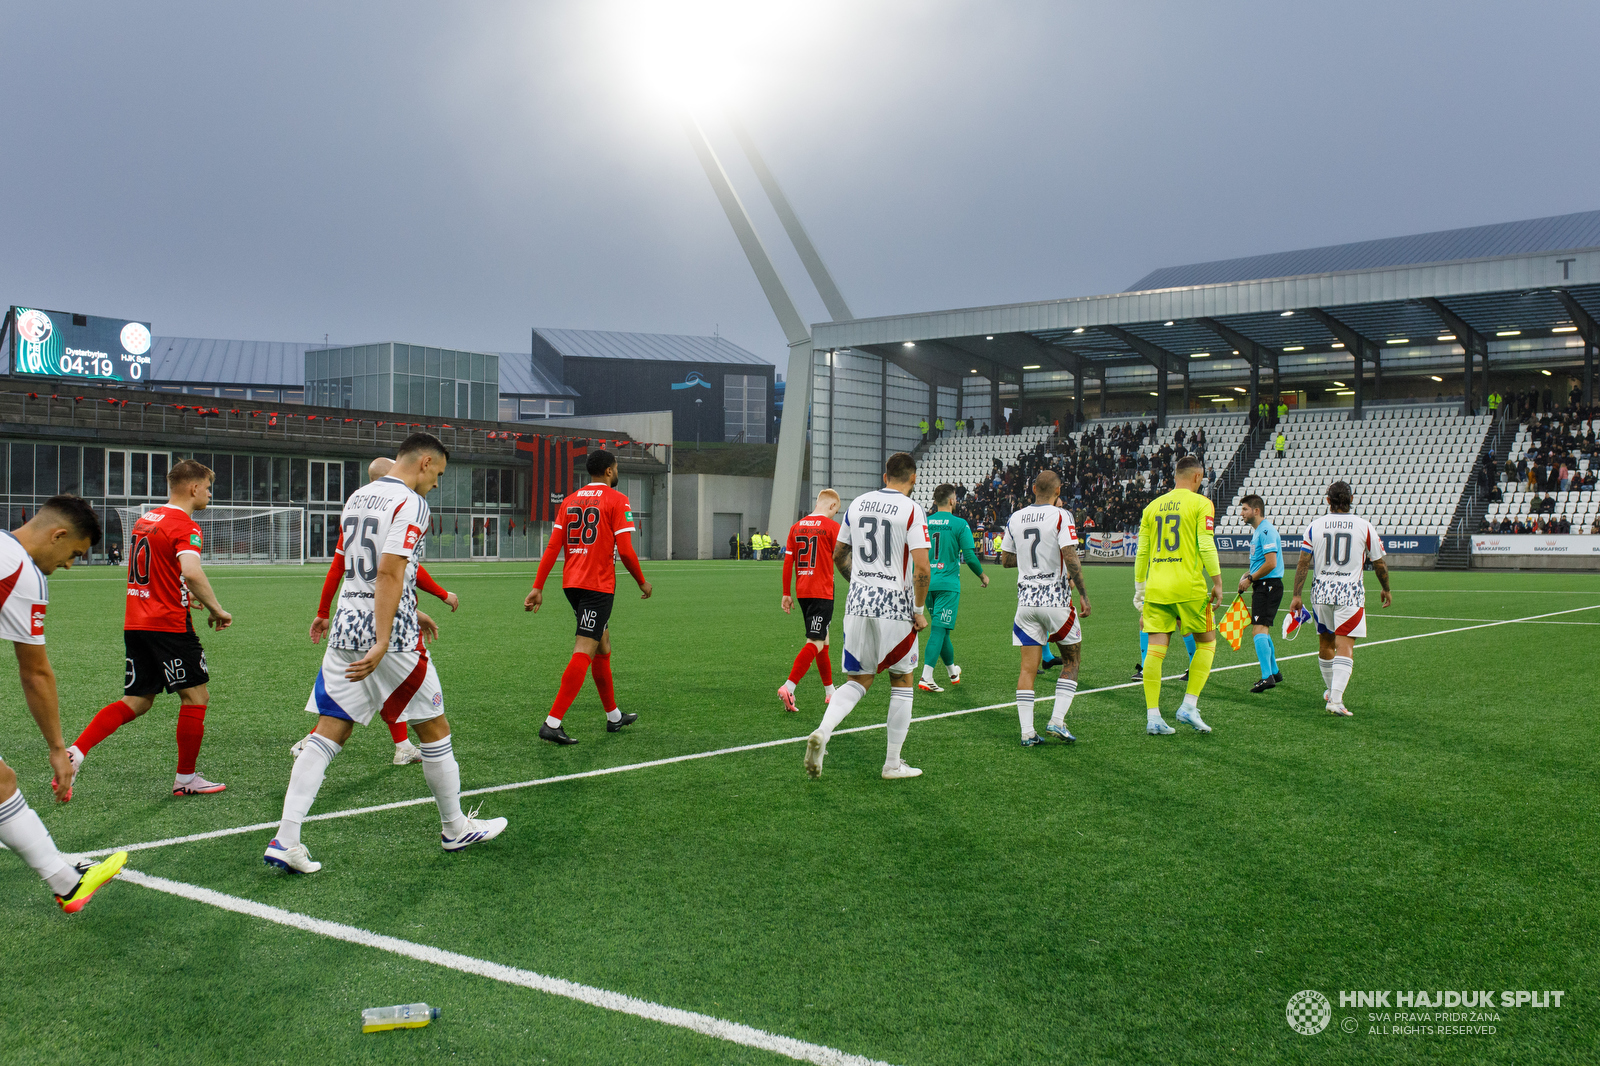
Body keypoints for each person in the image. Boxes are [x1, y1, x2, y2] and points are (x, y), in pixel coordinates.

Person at [265, 434, 504, 874]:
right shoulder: (411, 503)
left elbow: (366, 569)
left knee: (327, 733)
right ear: (426, 462)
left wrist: (417, 609)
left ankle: (287, 838)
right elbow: (391, 569)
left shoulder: (358, 496)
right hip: (389, 638)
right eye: (439, 475)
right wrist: (386, 634)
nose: (437, 484)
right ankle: (454, 828)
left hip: (344, 629)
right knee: (434, 727)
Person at [67, 459, 233, 797]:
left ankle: (76, 752)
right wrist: (217, 608)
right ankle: (186, 779)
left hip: (137, 621)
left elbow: (158, 569)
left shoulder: (146, 519)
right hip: (168, 625)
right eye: (208, 487)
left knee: (138, 700)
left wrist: (181, 593)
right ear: (194, 488)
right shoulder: (185, 526)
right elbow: (190, 570)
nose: (210, 494)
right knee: (196, 696)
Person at [0, 496, 129, 912]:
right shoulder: (22, 571)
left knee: (1, 784)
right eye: (73, 552)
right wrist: (59, 748)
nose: (70, 564)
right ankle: (67, 883)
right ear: (57, 534)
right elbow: (34, 671)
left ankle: (67, 883)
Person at [301, 456, 458, 765]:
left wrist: (322, 611)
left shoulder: (357, 506)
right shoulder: (403, 506)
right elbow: (395, 573)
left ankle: (391, 745)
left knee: (360, 695)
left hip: (351, 622)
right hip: (387, 626)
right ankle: (318, 739)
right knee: (414, 703)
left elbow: (339, 570)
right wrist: (438, 596)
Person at [803, 452, 930, 781]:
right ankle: (892, 763)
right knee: (902, 680)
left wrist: (860, 584)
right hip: (895, 606)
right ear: (912, 480)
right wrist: (917, 611)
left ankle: (824, 730)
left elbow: (839, 554)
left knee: (857, 680)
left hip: (858, 601)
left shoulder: (858, 503)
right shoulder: (912, 509)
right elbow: (921, 568)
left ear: (884, 476)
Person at [526, 449, 652, 744]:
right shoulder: (617, 500)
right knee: (584, 648)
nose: (617, 471)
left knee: (603, 646)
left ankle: (614, 716)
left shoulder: (569, 500)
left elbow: (552, 548)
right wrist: (642, 582)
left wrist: (538, 586)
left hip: (572, 584)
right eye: (617, 468)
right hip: (597, 586)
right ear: (609, 470)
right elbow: (626, 550)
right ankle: (552, 722)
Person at [1133, 455, 1222, 735]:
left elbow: (1142, 553)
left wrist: (1139, 590)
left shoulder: (1152, 507)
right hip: (1189, 587)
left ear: (1175, 475)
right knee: (1207, 643)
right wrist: (1217, 581)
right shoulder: (1201, 503)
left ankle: (1153, 717)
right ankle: (1188, 705)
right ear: (1197, 477)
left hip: (1157, 588)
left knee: (1156, 652)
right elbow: (1206, 545)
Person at [1289, 480, 1392, 717]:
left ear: (1328, 501)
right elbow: (1379, 562)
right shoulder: (1364, 526)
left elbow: (1304, 561)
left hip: (1321, 592)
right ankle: (1335, 700)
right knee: (1344, 645)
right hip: (1349, 593)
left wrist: (1296, 594)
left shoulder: (1315, 526)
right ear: (1352, 500)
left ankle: (1330, 691)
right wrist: (1385, 587)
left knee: (1325, 643)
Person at [1002, 471, 1090, 746]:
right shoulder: (1061, 516)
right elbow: (1070, 556)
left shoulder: (1015, 517)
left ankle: (1027, 733)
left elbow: (1005, 560)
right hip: (1055, 602)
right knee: (1071, 661)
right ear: (1058, 490)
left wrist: (1032, 562)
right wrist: (1084, 593)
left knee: (1028, 669)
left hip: (1026, 603)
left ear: (1032, 489)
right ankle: (1057, 721)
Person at [918, 483, 989, 693]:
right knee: (939, 629)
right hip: (947, 585)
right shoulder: (960, 524)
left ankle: (952, 671)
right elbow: (969, 556)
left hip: (926, 585)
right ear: (952, 500)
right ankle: (926, 676)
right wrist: (983, 575)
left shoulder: (925, 523)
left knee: (943, 631)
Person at [779, 489, 841, 712]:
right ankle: (789, 687)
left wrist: (786, 593)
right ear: (833, 506)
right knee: (814, 641)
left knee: (823, 640)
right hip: (821, 592)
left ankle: (830, 691)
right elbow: (843, 559)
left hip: (803, 591)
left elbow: (788, 562)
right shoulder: (833, 527)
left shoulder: (796, 527)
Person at [1237, 494, 1285, 693]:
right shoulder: (1260, 531)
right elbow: (1262, 562)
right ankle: (1274, 672)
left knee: (1258, 630)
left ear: (1256, 511)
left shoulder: (1265, 531)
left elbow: (1271, 563)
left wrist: (1250, 579)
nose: (1242, 514)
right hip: (1264, 585)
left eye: (1245, 509)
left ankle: (1267, 678)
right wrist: (1249, 574)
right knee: (1262, 628)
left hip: (1268, 585)